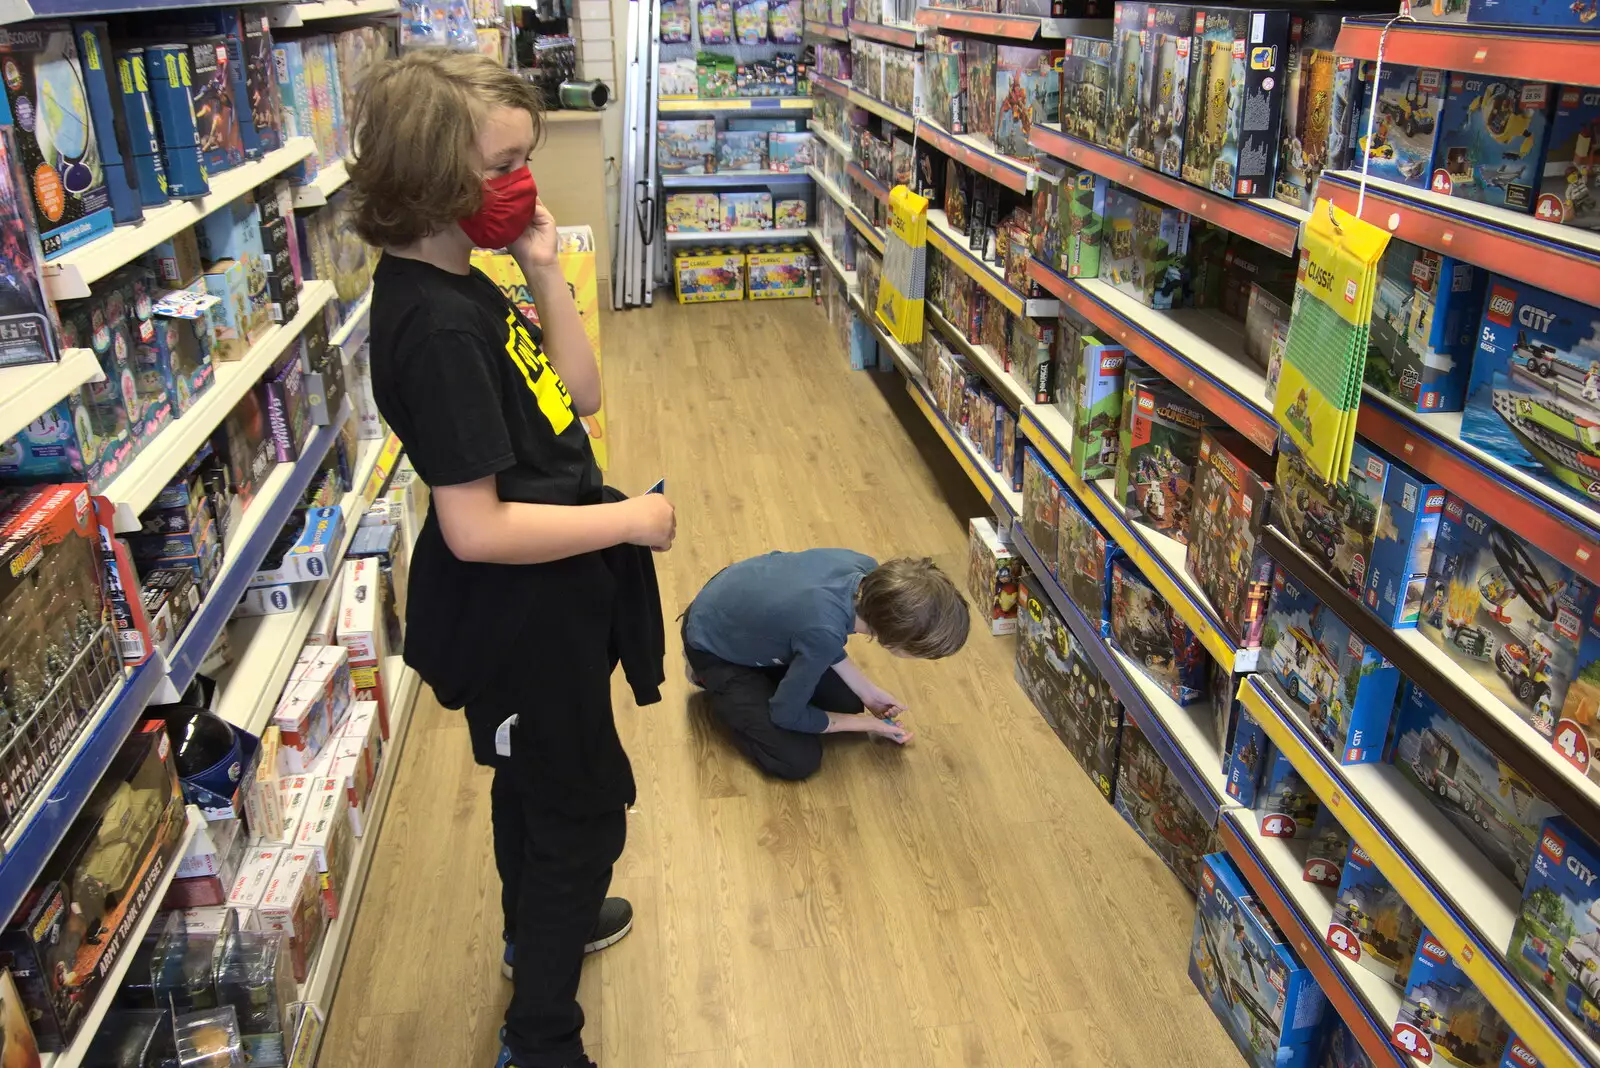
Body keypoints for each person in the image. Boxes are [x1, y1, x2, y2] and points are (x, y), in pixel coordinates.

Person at [348, 50, 677, 1068]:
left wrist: (539, 265)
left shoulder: (468, 279)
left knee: (526, 782)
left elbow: (577, 395)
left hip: (550, 606)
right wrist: (627, 525)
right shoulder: (435, 328)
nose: (523, 184)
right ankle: (540, 1038)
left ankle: (532, 934)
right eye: (504, 165)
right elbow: (474, 529)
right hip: (517, 616)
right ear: (431, 180)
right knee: (579, 815)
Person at [682, 551, 970, 780]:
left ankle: (767, 678)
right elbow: (786, 714)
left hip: (742, 608)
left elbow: (819, 632)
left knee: (847, 702)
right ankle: (713, 683)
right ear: (896, 640)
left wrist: (867, 692)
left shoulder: (864, 571)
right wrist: (866, 723)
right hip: (713, 644)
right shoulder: (822, 631)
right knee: (798, 759)